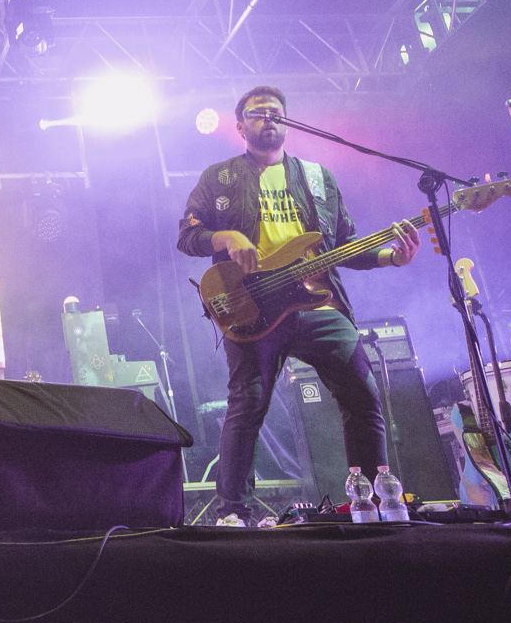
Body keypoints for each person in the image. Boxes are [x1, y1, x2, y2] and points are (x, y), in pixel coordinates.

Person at [178, 86, 420, 525]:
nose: (268, 118)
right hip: (252, 306)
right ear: (240, 126)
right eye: (257, 113)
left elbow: (343, 245)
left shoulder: (317, 178)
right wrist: (225, 237)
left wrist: (390, 256)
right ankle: (233, 512)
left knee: (363, 400)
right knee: (248, 404)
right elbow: (187, 235)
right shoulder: (220, 178)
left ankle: (372, 504)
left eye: (276, 113)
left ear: (287, 122)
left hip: (319, 306)